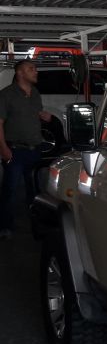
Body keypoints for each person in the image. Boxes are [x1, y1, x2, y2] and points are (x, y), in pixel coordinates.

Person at [0, 60, 52, 239]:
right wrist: (4, 149)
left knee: (34, 190)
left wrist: (44, 116)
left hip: (34, 150)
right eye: (31, 69)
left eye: (35, 69)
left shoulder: (35, 93)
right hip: (15, 150)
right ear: (20, 73)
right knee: (10, 190)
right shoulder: (6, 95)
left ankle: (36, 225)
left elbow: (36, 113)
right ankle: (6, 226)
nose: (36, 72)